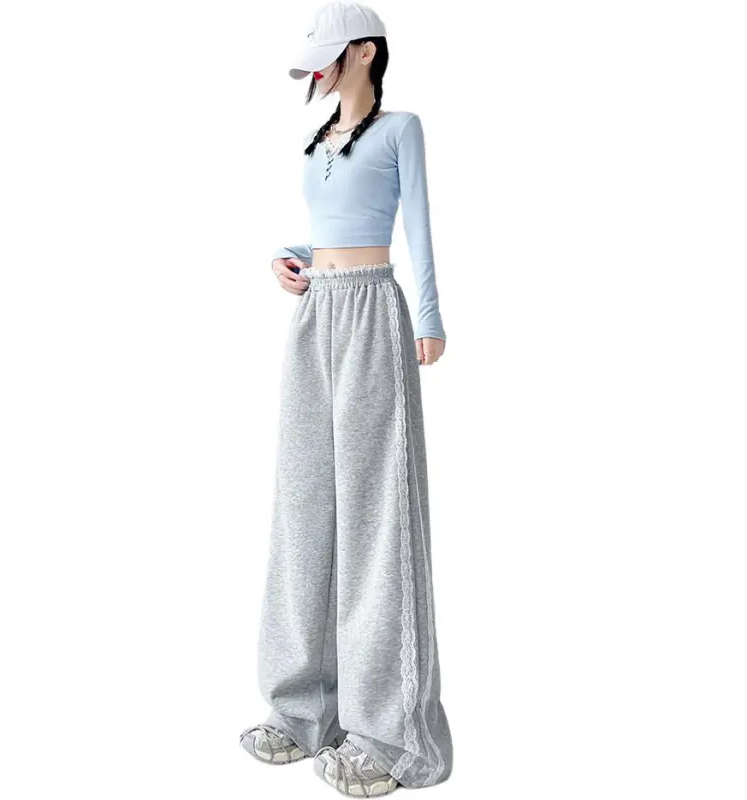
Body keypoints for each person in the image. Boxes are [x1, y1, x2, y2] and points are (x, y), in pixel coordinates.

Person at [239, 2, 453, 794]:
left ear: (364, 51)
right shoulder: (318, 137)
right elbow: (331, 230)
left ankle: (388, 733)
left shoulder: (401, 129)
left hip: (372, 314)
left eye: (329, 57)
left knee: (375, 517)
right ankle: (302, 710)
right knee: (303, 507)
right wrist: (286, 255)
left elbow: (415, 228)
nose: (318, 72)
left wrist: (429, 317)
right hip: (315, 314)